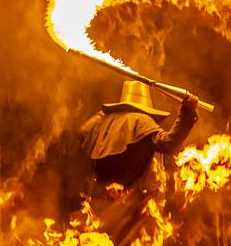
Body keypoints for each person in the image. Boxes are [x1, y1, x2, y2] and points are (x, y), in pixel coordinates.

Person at [79, 80, 198, 244]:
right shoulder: (142, 121)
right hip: (124, 204)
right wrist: (187, 112)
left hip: (100, 200)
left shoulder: (103, 121)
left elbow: (83, 132)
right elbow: (170, 143)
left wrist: (105, 113)